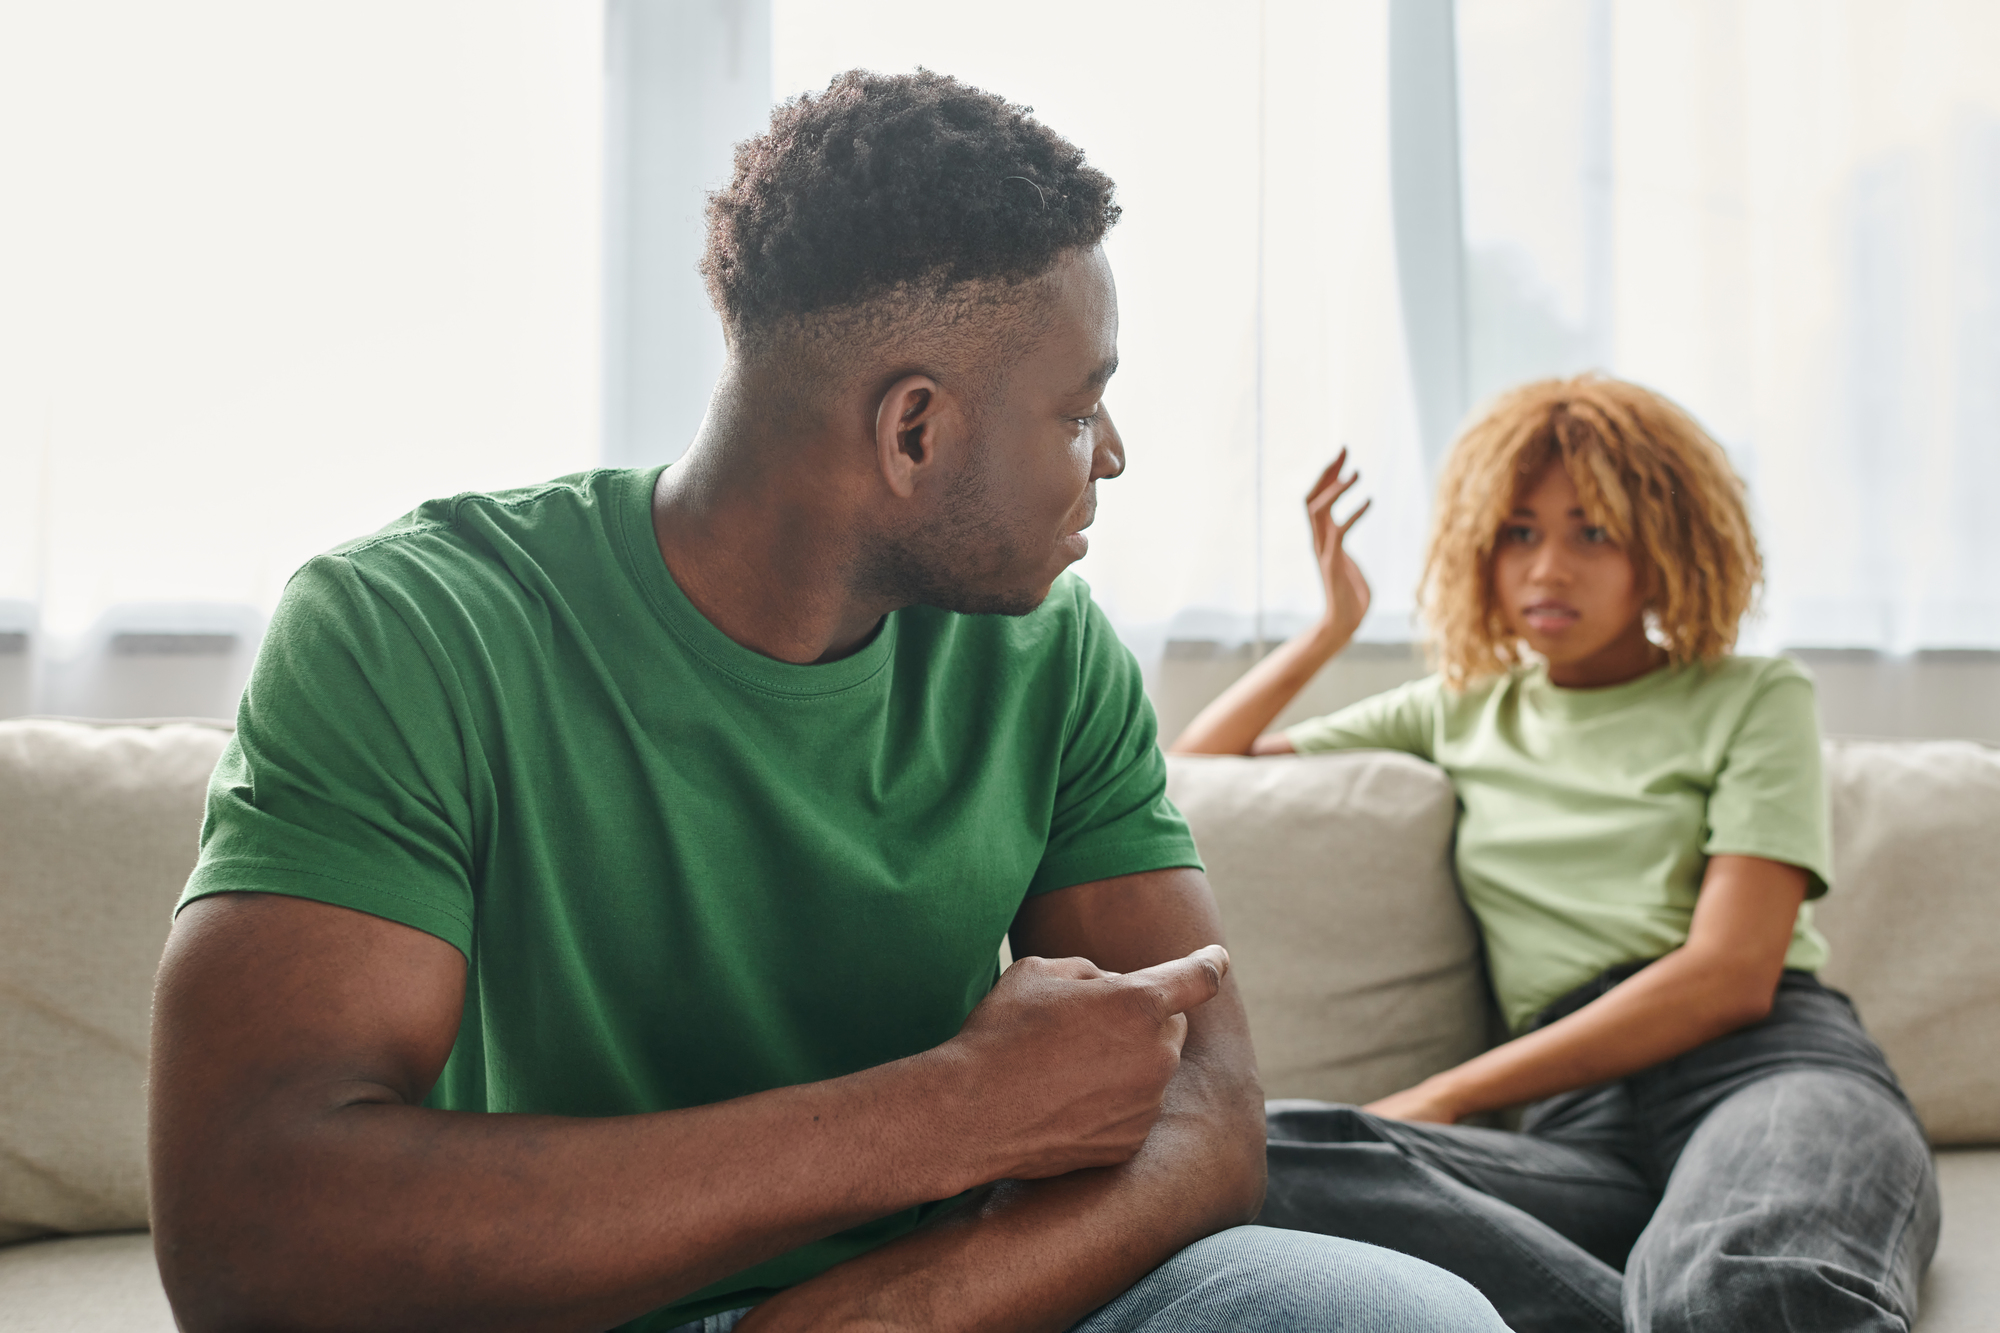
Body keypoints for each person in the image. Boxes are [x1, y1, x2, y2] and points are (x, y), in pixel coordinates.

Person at [146, 71, 1506, 1333]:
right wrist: (947, 1115)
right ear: (914, 430)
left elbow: (1210, 1117)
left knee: (1400, 1315)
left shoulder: (1049, 649)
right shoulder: (409, 629)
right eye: (1081, 409)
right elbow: (246, 1229)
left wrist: (883, 1314)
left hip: (946, 1298)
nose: (1116, 455)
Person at [1170, 375, 1940, 1333]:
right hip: (1575, 1135)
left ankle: (1683, 1292)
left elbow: (1732, 974)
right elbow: (1197, 772)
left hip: (1765, 1068)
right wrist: (1331, 629)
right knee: (1255, 1158)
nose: (1548, 570)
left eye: (1594, 533)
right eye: (1519, 533)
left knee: (1733, 1281)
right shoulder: (1461, 707)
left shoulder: (1753, 695)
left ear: (1664, 546)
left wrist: (1449, 1092)